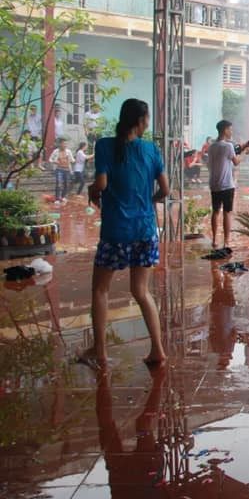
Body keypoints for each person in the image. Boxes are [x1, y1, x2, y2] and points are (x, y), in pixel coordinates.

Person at [81, 98, 168, 368]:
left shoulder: (105, 145)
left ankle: (101, 351)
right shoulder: (151, 149)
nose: (148, 122)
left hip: (115, 230)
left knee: (100, 289)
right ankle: (157, 350)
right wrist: (148, 201)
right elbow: (165, 191)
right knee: (141, 291)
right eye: (147, 118)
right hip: (145, 229)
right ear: (141, 120)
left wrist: (92, 191)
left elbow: (102, 183)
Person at [207, 120, 249, 249]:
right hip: (226, 184)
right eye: (230, 129)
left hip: (214, 184)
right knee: (227, 213)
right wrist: (244, 152)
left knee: (215, 212)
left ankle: (214, 240)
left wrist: (239, 148)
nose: (231, 132)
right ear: (225, 130)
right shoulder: (228, 146)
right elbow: (236, 162)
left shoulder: (211, 146)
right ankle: (226, 242)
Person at [48, 138, 73, 204]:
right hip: (59, 169)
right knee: (58, 183)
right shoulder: (56, 151)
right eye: (64, 144)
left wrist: (71, 160)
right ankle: (57, 198)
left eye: (66, 144)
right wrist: (54, 161)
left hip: (67, 169)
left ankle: (63, 196)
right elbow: (50, 159)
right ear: (60, 144)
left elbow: (72, 159)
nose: (65, 145)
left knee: (66, 184)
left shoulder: (68, 151)